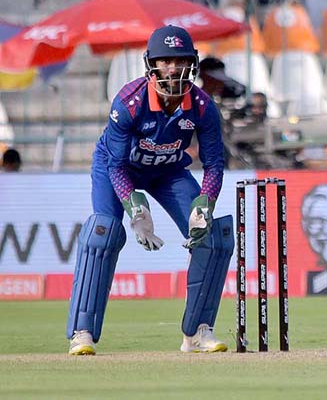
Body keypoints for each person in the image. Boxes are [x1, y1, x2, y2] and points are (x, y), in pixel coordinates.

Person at [66, 26, 232, 356]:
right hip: (119, 167)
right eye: (165, 60)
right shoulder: (128, 103)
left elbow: (215, 163)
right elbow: (114, 164)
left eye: (180, 60)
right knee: (104, 233)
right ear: (151, 65)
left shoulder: (201, 107)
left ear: (192, 64)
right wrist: (135, 208)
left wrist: (205, 203)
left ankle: (197, 333)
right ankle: (82, 332)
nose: (173, 68)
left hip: (167, 170)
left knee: (212, 236)